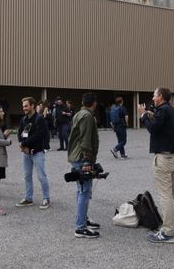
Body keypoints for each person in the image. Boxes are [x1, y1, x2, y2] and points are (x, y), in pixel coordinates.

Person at [138, 87, 174, 244]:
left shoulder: (162, 110)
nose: (152, 98)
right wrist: (151, 114)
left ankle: (167, 232)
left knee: (165, 194)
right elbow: (161, 124)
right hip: (173, 156)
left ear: (160, 96)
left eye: (154, 95)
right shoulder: (171, 110)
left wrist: (143, 115)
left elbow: (153, 128)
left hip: (163, 157)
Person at [68, 92, 101, 238]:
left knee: (81, 190)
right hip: (82, 158)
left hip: (77, 156)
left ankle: (83, 218)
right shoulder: (87, 116)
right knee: (84, 191)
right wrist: (87, 160)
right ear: (94, 103)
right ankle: (80, 227)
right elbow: (85, 139)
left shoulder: (79, 114)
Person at [16, 97, 51, 209]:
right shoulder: (24, 119)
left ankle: (46, 198)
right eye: (23, 106)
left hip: (37, 151)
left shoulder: (39, 119)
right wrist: (23, 145)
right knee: (27, 176)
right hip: (26, 152)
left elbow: (40, 135)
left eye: (26, 106)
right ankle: (28, 198)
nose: (24, 108)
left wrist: (25, 144)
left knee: (41, 176)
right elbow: (19, 134)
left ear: (32, 106)